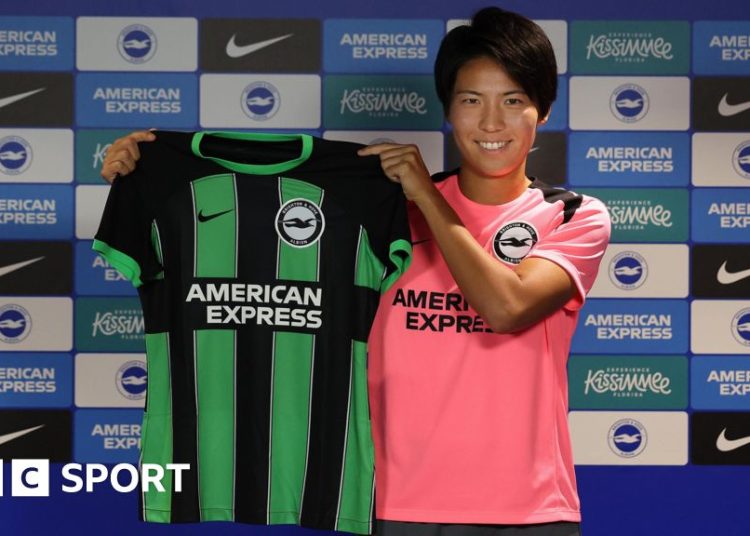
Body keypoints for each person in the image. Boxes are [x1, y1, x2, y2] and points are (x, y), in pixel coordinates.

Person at [101, 7, 610, 536]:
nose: (490, 123)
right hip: (386, 503)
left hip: (527, 512)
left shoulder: (573, 216)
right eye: (470, 101)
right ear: (448, 109)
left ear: (542, 110)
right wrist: (147, 175)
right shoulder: (382, 211)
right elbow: (260, 255)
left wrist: (427, 198)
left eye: (513, 101)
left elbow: (507, 307)